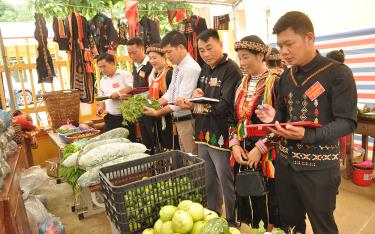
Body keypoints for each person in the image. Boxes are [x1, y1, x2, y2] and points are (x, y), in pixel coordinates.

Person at [254, 11, 357, 233]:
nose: (284, 52)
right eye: (280, 46)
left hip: (319, 168)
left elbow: (347, 122)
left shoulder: (337, 74)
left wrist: (308, 136)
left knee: (323, 226)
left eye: (289, 44)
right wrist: (273, 118)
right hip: (285, 165)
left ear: (309, 38)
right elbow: (283, 117)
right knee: (290, 225)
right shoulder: (284, 78)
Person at [174, 29, 241, 224]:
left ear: (220, 44)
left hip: (221, 135)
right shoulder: (204, 69)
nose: (206, 54)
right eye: (201, 50)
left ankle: (231, 219)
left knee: (226, 179)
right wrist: (196, 94)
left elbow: (225, 104)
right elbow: (200, 95)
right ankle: (213, 214)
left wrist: (196, 104)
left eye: (209, 48)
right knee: (209, 178)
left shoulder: (231, 70)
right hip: (203, 133)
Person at [228, 35, 280, 231]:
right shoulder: (240, 85)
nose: (241, 63)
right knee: (247, 196)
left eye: (246, 57)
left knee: (269, 199)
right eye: (239, 57)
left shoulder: (275, 83)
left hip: (267, 154)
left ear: (261, 55)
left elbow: (282, 122)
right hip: (241, 151)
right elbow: (232, 119)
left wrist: (260, 148)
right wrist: (234, 145)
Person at [143, 30, 201, 155]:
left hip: (188, 120)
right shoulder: (178, 67)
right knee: (187, 156)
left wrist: (157, 112)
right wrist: (154, 104)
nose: (167, 56)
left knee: (192, 157)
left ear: (180, 47)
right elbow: (170, 93)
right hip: (180, 120)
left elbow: (180, 101)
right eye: (166, 53)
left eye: (169, 52)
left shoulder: (190, 68)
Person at [146, 43, 175, 151]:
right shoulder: (153, 75)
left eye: (155, 57)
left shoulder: (170, 73)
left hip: (169, 118)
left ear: (164, 57)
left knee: (170, 146)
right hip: (156, 116)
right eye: (150, 58)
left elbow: (172, 97)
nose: (152, 61)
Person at [126, 37, 154, 148]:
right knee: (145, 136)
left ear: (142, 49)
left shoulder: (151, 64)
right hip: (139, 107)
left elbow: (153, 87)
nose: (132, 56)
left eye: (134, 52)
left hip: (150, 107)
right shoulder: (135, 66)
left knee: (152, 136)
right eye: (129, 53)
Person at [96, 53, 133, 132]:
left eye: (104, 66)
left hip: (127, 117)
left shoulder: (124, 74)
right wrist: (101, 107)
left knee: (129, 141)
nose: (102, 69)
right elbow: (102, 96)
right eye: (100, 67)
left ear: (112, 63)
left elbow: (131, 87)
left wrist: (118, 93)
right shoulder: (103, 80)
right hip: (111, 117)